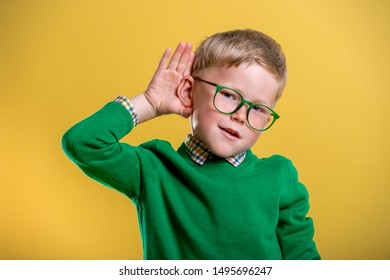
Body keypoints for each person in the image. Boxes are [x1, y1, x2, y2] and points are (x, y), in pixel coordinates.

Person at [62, 29, 320, 260]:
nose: (241, 115)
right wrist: (150, 103)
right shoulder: (155, 170)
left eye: (259, 108)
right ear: (188, 92)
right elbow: (82, 143)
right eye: (229, 95)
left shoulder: (280, 177)